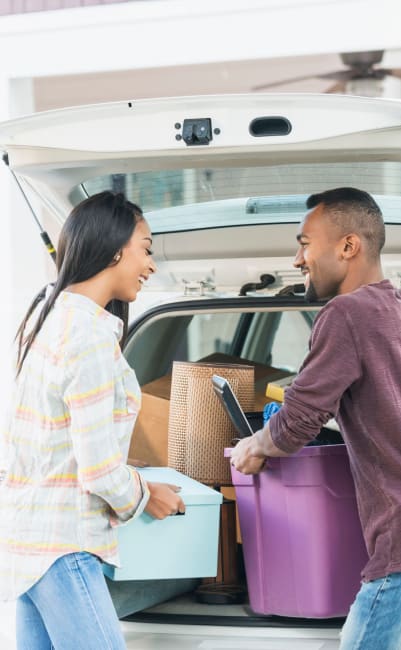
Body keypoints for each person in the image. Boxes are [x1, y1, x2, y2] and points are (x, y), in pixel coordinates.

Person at [230, 187, 401, 649]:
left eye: (304, 243)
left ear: (348, 246)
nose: (298, 259)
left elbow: (297, 423)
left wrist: (251, 446)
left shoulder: (345, 314)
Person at [0, 191, 189, 649]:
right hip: (65, 546)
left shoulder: (44, 320)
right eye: (146, 248)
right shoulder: (86, 336)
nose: (151, 265)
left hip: (29, 545)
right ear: (115, 247)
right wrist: (147, 495)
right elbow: (100, 471)